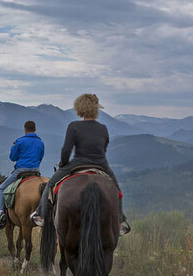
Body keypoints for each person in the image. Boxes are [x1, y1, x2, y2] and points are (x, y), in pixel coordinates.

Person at [31, 94, 130, 235]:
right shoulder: (103, 128)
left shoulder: (74, 126)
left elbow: (66, 150)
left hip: (78, 163)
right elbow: (103, 148)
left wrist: (63, 163)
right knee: (117, 190)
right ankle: (120, 222)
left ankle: (41, 214)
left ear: (80, 108)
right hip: (101, 164)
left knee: (51, 184)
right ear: (96, 109)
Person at [0, 121, 45, 229]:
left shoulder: (20, 141)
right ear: (35, 129)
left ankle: (1, 214)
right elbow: (40, 158)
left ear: (25, 129)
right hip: (36, 171)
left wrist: (13, 147)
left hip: (21, 171)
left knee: (2, 188)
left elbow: (13, 157)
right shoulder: (41, 142)